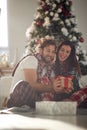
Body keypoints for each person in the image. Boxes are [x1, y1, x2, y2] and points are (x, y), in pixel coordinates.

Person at [7, 39, 64, 108]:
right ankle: (43, 107)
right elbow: (32, 85)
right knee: (23, 85)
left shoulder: (49, 67)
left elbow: (54, 83)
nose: (50, 54)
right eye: (48, 51)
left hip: (34, 99)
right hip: (18, 97)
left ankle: (44, 107)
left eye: (53, 52)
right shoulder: (31, 59)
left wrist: (60, 88)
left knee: (61, 95)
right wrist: (53, 88)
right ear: (40, 50)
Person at [54, 40, 87, 107]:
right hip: (57, 94)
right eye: (62, 50)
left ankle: (69, 102)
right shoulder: (52, 64)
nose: (64, 54)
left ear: (70, 54)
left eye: (67, 52)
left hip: (73, 95)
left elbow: (74, 88)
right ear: (58, 50)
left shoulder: (72, 67)